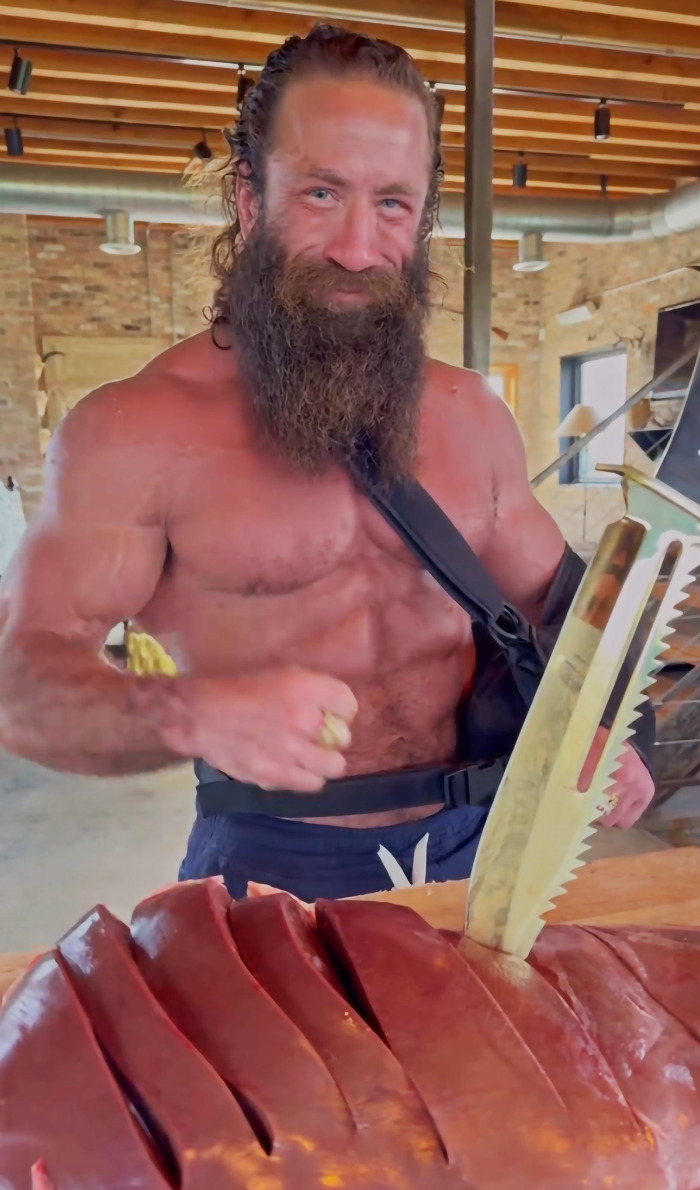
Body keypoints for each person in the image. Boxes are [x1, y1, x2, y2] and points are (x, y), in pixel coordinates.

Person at [0, 25, 655, 902]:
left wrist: (612, 722)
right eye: (320, 192)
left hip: (485, 841)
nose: (357, 248)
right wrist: (189, 713)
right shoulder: (134, 431)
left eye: (392, 205)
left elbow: (563, 603)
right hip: (272, 863)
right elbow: (22, 680)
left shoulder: (470, 413)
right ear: (248, 199)